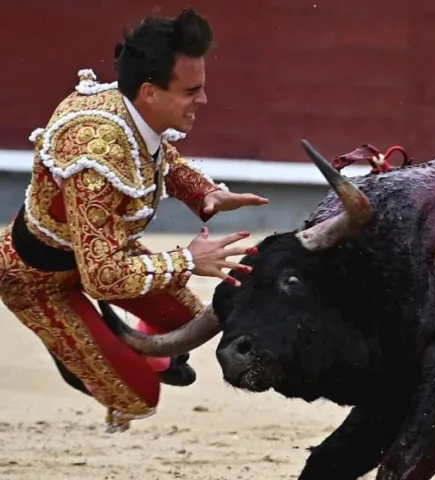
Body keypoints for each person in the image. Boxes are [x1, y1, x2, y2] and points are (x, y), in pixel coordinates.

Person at [0, 7, 269, 433]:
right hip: (37, 280)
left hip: (96, 249)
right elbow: (103, 278)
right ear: (149, 92)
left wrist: (206, 193)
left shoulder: (129, 113)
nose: (203, 99)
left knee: (189, 325)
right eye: (191, 91)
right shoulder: (96, 156)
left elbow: (159, 157)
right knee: (139, 397)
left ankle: (120, 348)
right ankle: (78, 360)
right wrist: (186, 261)